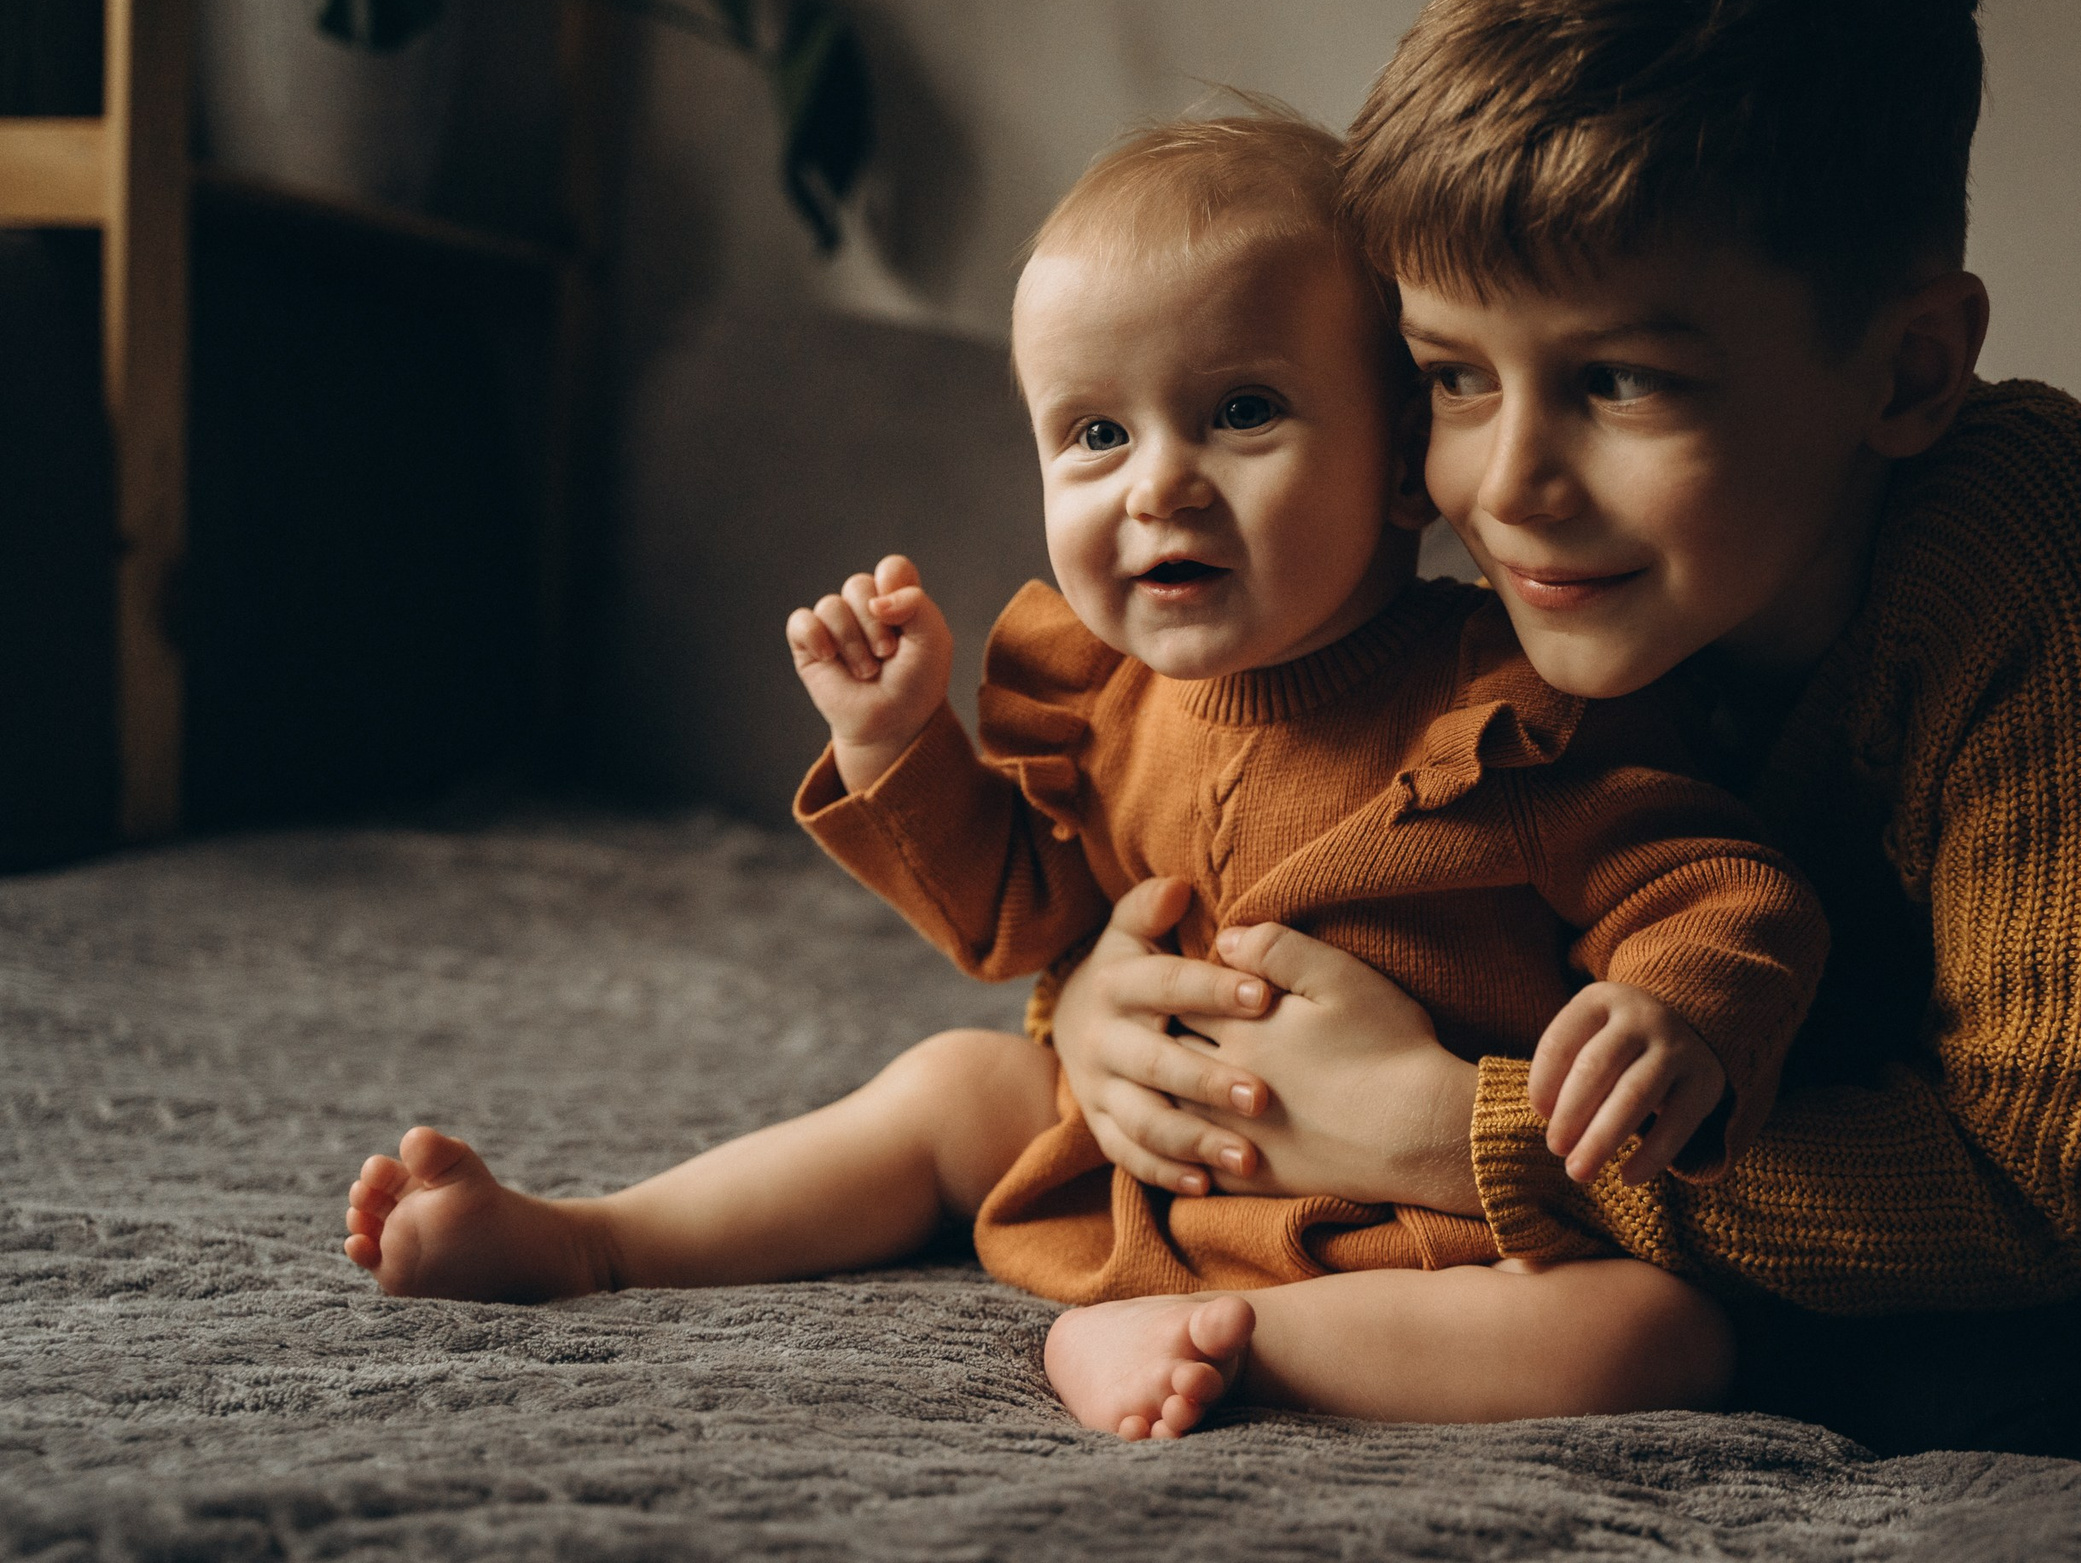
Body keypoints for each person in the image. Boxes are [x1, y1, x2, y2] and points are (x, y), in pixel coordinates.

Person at [1035, 0, 2081, 1479]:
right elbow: (1332, 865)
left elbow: (2028, 1193)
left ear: (1907, 371)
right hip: (1822, 1046)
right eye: (1452, 376)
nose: (1505, 488)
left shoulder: (2037, 555)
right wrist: (1106, 1016)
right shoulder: (1520, 582)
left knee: (1993, 1400)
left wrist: (1435, 1130)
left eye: (1621, 382)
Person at [340, 112, 1832, 1442]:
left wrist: (1678, 1004)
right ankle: (598, 1237)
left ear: (1401, 465)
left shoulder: (1513, 703)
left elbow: (1717, 885)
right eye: (1096, 434)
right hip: (1142, 1147)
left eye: (1243, 411)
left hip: (1414, 1224)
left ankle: (1237, 1349)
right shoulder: (1100, 688)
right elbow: (1026, 919)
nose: (1158, 481)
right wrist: (897, 746)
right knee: (954, 1084)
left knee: (1659, 1328)